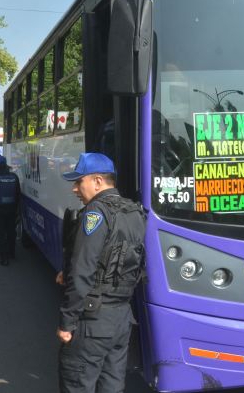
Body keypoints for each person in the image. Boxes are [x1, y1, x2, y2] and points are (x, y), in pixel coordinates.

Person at [57, 153, 146, 393]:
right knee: (112, 386)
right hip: (122, 318)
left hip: (93, 322)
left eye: (79, 182)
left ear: (97, 181)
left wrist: (67, 322)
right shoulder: (134, 211)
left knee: (78, 384)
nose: (75, 189)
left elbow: (81, 273)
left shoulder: (95, 213)